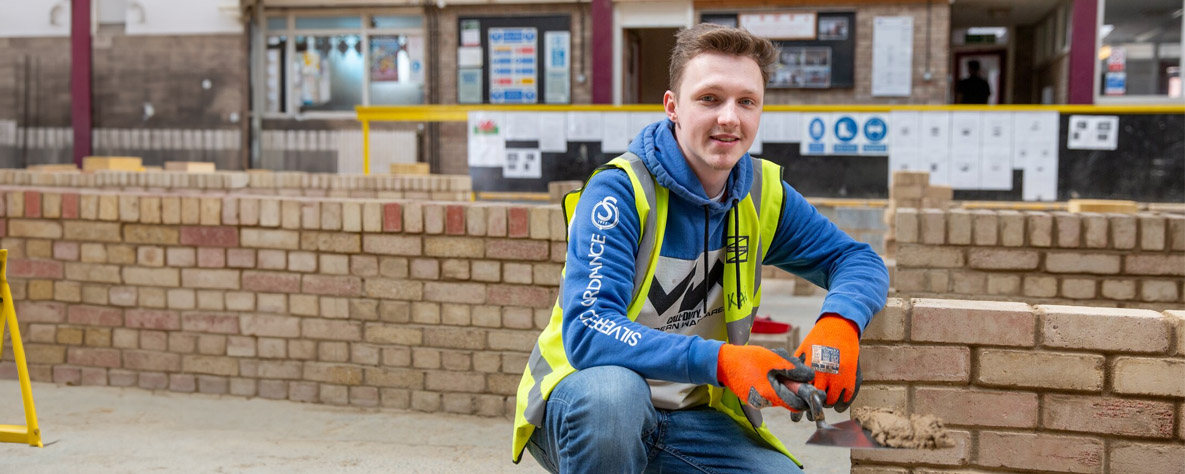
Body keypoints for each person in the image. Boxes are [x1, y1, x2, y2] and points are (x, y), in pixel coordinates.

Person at [511, 23, 888, 473]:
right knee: (614, 399)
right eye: (710, 99)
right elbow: (589, 329)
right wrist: (723, 361)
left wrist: (839, 324)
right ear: (673, 107)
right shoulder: (620, 192)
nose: (730, 117)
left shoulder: (762, 192)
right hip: (586, 407)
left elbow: (856, 259)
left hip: (688, 417)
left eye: (746, 102)